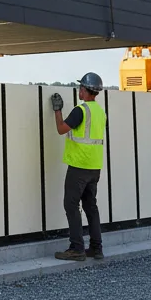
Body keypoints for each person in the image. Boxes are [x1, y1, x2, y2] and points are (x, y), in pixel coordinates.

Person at [51, 72, 106, 262]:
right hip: (94, 166)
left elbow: (61, 129)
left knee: (71, 204)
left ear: (85, 90)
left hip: (79, 166)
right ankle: (96, 248)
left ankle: (77, 248)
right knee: (91, 206)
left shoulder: (80, 110)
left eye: (80, 88)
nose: (79, 91)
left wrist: (57, 111)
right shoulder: (100, 112)